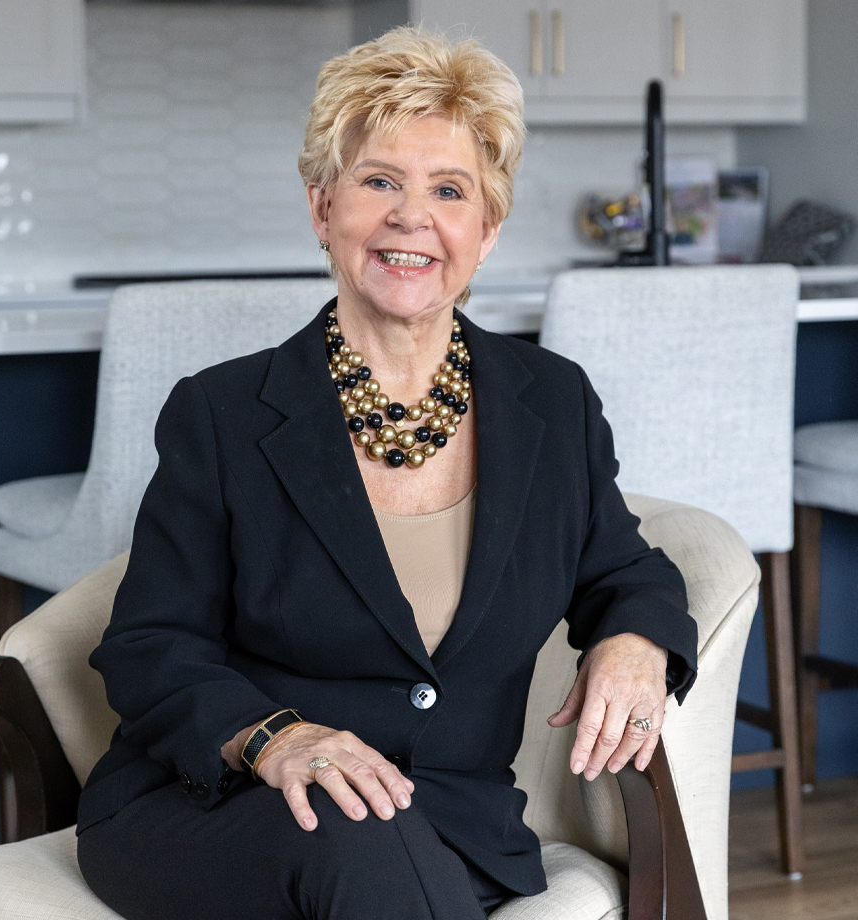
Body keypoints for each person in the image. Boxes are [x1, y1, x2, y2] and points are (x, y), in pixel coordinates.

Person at [75, 27, 697, 920]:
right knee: (359, 839)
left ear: (486, 231)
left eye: (450, 190)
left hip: (451, 827)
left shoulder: (551, 404)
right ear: (324, 208)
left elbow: (624, 570)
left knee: (386, 854)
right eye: (379, 182)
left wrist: (637, 642)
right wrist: (275, 738)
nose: (414, 217)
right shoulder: (222, 413)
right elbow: (149, 646)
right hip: (229, 812)